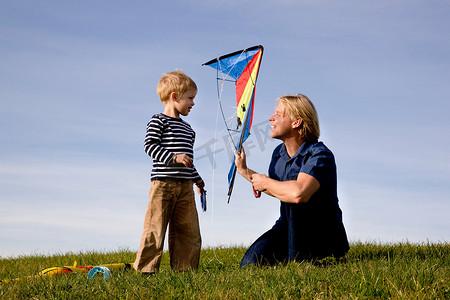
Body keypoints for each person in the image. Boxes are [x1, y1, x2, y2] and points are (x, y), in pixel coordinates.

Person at [234, 94, 349, 267]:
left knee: (297, 205)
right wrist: (244, 171)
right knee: (250, 264)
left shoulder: (319, 155)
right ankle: (294, 258)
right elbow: (279, 189)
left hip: (322, 231)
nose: (270, 118)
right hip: (287, 226)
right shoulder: (278, 154)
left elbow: (299, 194)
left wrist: (265, 183)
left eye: (278, 115)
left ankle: (308, 261)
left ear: (297, 122)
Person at [134, 70, 205, 274]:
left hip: (186, 187)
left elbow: (188, 161)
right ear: (174, 97)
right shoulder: (158, 121)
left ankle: (185, 270)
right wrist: (174, 157)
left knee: (188, 230)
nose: (193, 103)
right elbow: (150, 146)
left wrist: (197, 179)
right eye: (190, 98)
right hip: (162, 185)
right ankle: (146, 270)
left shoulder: (189, 130)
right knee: (155, 227)